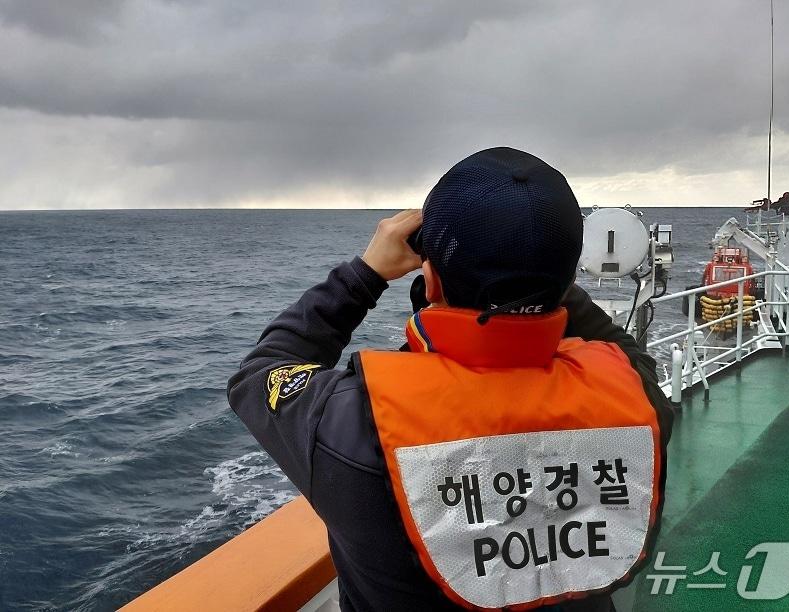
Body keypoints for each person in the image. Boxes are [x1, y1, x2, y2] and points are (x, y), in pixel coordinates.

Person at [228, 147, 673, 611]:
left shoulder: (353, 423)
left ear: (432, 282)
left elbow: (261, 372)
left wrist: (365, 275)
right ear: (568, 274)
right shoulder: (637, 397)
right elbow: (626, 351)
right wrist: (538, 271)